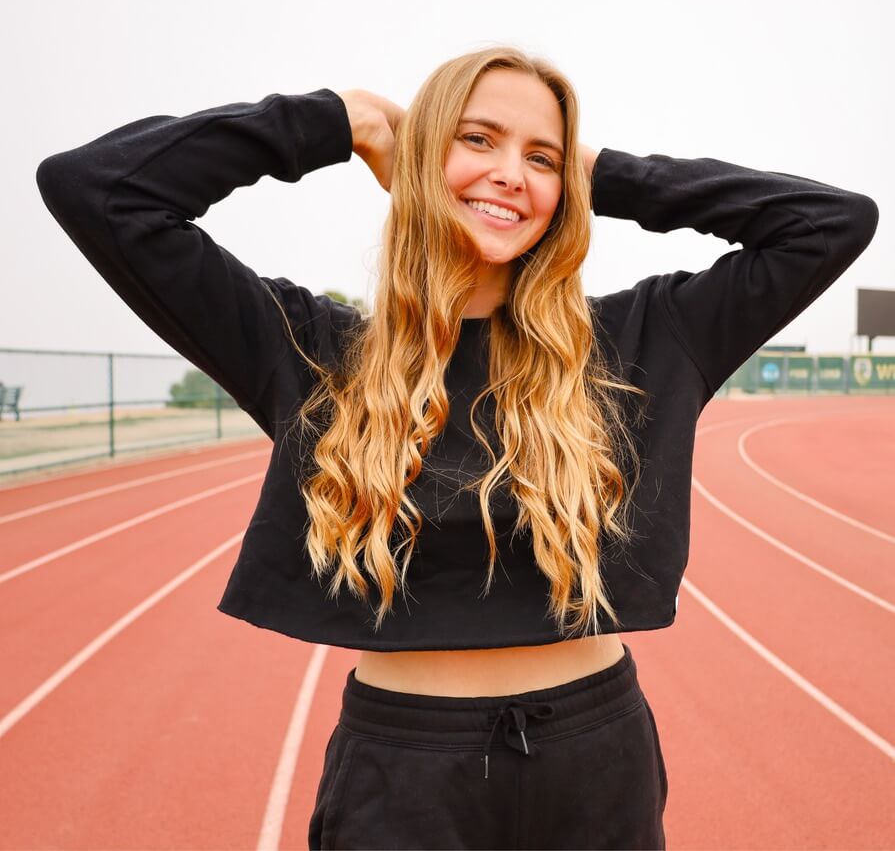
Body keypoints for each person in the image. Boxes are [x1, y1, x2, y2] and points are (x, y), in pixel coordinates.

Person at [35, 46, 878, 850]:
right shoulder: (314, 351)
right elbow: (98, 191)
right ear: (420, 155)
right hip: (404, 766)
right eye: (475, 139)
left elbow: (829, 223)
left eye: (538, 155)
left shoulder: (647, 337)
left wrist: (600, 176)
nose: (509, 172)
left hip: (594, 754)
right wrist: (343, 120)